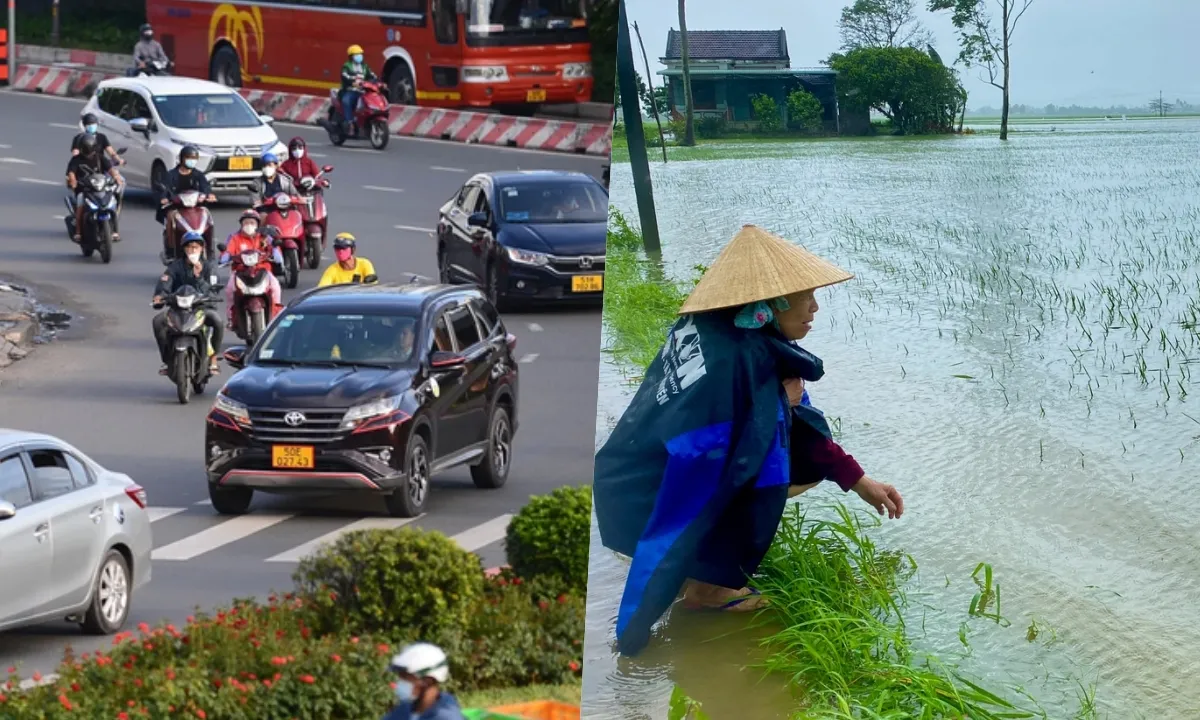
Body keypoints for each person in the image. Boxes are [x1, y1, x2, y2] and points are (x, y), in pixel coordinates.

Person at [592, 224, 905, 656]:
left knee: (779, 453)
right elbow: (692, 486)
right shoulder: (745, 361)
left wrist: (859, 480)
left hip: (628, 468)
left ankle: (701, 572)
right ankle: (708, 591)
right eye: (805, 296)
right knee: (766, 472)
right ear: (770, 302)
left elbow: (802, 431)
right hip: (655, 486)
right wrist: (631, 638)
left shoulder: (713, 331)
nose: (814, 307)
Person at [152, 232, 224, 376]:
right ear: (184, 250)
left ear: (202, 249)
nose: (192, 251)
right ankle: (167, 360)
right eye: (189, 248)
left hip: (201, 308)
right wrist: (160, 296)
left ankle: (214, 358)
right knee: (158, 321)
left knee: (217, 321)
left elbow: (213, 290)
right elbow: (165, 282)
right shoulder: (175, 266)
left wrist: (199, 278)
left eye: (195, 247)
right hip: (178, 309)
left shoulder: (210, 267)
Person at [220, 209, 283, 328]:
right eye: (246, 223)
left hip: (263, 271)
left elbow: (278, 257)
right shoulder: (235, 238)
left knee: (275, 287)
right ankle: (231, 318)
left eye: (252, 223)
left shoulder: (264, 237)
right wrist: (226, 256)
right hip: (240, 272)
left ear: (257, 224)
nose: (249, 225)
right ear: (241, 224)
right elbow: (226, 253)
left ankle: (276, 316)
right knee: (229, 289)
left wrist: (274, 248)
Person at [382, 643, 465, 720]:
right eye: (400, 676)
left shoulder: (446, 717)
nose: (400, 682)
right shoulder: (406, 708)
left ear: (428, 681)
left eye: (406, 676)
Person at [66, 133, 124, 243]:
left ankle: (115, 231)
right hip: (84, 189)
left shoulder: (99, 157)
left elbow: (110, 169)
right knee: (80, 205)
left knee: (112, 204)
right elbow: (71, 172)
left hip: (100, 187)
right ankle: (78, 232)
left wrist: (116, 177)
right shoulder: (76, 160)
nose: (87, 151)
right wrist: (73, 181)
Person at [158, 145, 216, 255]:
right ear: (182, 159)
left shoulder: (198, 174)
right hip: (177, 206)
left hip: (195, 206)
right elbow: (165, 189)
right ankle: (171, 249)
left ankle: (210, 249)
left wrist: (209, 195)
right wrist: (165, 198)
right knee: (171, 217)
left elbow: (205, 187)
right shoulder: (171, 175)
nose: (192, 161)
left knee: (207, 217)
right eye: (189, 158)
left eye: (194, 159)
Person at [339, 44, 377, 133]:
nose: (359, 56)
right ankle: (350, 123)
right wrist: (353, 81)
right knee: (346, 101)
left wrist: (377, 82)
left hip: (363, 91)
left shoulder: (365, 66)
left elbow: (372, 76)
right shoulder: (347, 66)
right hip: (351, 90)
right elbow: (344, 76)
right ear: (351, 56)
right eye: (356, 54)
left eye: (360, 54)